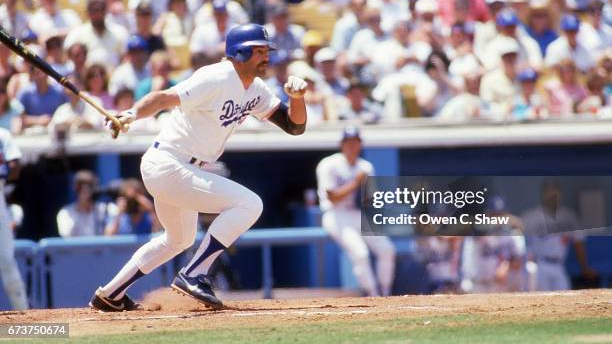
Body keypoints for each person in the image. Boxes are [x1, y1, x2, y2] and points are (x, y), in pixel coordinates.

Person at [90, 23, 307, 312]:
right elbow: (164, 98)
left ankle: (110, 294)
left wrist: (298, 99)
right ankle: (193, 274)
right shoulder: (216, 77)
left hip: (180, 168)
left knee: (177, 240)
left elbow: (294, 127)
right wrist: (131, 113)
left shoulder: (256, 89)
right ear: (240, 52)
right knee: (249, 204)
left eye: (267, 50)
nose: (266, 56)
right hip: (169, 163)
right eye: (259, 51)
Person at [316, 127, 395, 297]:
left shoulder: (365, 166)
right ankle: (373, 294)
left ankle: (386, 293)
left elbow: (370, 200)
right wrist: (355, 183)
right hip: (336, 214)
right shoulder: (329, 164)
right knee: (360, 253)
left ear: (360, 144)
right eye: (348, 142)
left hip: (358, 214)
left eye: (355, 142)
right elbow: (332, 197)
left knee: (387, 250)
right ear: (342, 144)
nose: (351, 145)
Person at [0, 128, 27, 309]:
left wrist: (4, 170)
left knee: (6, 259)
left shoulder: (2, 134)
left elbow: (15, 167)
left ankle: (24, 315)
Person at [57, 170, 117, 237]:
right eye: (83, 190)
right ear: (77, 190)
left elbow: (110, 235)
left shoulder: (105, 208)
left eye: (91, 188)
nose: (88, 193)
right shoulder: (65, 213)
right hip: (77, 247)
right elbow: (66, 235)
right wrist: (81, 209)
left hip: (99, 247)